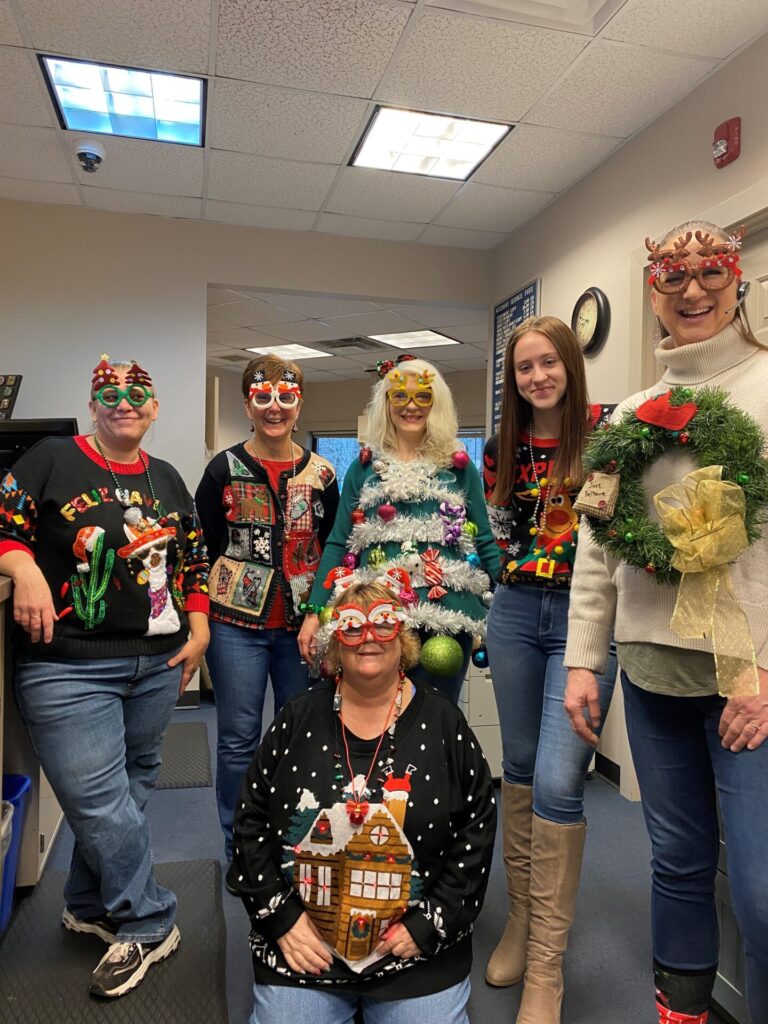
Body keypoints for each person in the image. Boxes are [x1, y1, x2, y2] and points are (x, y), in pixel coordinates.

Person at [564, 220, 768, 1024]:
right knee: (678, 861)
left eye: (710, 271)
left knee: (758, 887)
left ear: (737, 279)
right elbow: (596, 542)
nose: (690, 290)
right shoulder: (636, 410)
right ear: (653, 289)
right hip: (650, 669)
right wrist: (586, 660)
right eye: (672, 277)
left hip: (745, 677)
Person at [0, 356, 210, 998]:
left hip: (158, 661)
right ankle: (150, 920)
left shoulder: (168, 477)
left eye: (137, 393)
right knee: (97, 799)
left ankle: (88, 904)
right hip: (67, 664)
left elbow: (194, 561)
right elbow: (3, 521)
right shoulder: (50, 457)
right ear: (93, 405)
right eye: (110, 393)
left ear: (153, 407)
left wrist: (199, 629)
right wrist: (23, 566)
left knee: (134, 785)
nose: (124, 403)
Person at [230, 580, 496, 1023]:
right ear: (336, 642)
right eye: (353, 626)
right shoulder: (297, 717)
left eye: (384, 624)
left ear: (403, 637)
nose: (368, 637)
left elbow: (477, 829)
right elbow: (250, 819)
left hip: (414, 949)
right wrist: (281, 919)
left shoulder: (445, 723)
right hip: (306, 948)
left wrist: (430, 924)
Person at [482, 316, 616, 1023]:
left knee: (563, 784)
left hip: (582, 620)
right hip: (514, 616)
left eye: (547, 364)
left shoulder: (608, 433)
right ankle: (520, 923)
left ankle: (545, 967)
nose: (537, 377)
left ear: (569, 364)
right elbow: (493, 531)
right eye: (524, 367)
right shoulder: (502, 447)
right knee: (524, 767)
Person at [195, 354, 339, 861]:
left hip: (303, 625)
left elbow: (334, 549)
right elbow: (204, 545)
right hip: (236, 624)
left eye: (286, 397)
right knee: (237, 738)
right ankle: (240, 844)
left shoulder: (321, 473)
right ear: (248, 405)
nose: (274, 408)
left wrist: (320, 613)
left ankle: (291, 839)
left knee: (300, 735)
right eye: (263, 398)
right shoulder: (223, 469)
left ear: (299, 404)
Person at [298, 355, 500, 703]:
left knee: (439, 717)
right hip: (377, 616)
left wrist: (513, 596)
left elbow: (483, 538)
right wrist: (315, 612)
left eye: (422, 396)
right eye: (399, 397)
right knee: (379, 712)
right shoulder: (365, 468)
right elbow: (338, 542)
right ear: (386, 403)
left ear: (436, 403)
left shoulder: (459, 465)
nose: (411, 406)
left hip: (448, 620)